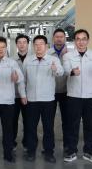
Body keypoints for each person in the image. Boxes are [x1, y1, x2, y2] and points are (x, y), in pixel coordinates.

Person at [61, 29, 92, 163]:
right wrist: (72, 72)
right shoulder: (68, 56)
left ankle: (88, 151)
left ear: (88, 41)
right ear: (74, 41)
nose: (81, 42)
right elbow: (65, 71)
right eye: (78, 39)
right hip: (74, 96)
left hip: (90, 96)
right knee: (72, 125)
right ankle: (71, 151)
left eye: (84, 39)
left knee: (90, 125)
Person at [20, 34, 62, 162]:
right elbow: (22, 80)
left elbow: (60, 72)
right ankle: (31, 151)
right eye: (36, 45)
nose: (38, 47)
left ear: (46, 46)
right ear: (33, 46)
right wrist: (23, 95)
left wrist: (55, 69)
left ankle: (49, 152)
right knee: (31, 127)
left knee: (48, 127)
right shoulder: (28, 60)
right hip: (31, 100)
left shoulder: (53, 60)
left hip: (48, 100)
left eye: (41, 44)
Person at [49, 28, 71, 156]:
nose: (59, 39)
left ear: (65, 38)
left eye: (61, 37)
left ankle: (67, 145)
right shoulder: (47, 53)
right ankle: (49, 146)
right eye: (57, 37)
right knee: (49, 121)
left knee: (67, 120)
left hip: (67, 91)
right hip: (50, 92)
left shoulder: (71, 53)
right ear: (53, 38)